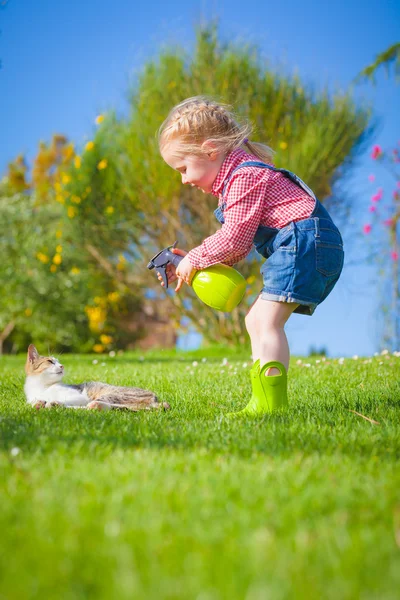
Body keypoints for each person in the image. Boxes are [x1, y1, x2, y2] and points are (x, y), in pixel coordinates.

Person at [157, 96, 344, 417]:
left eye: (183, 168)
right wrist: (194, 260)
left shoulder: (244, 177)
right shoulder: (239, 177)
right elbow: (235, 245)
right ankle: (265, 402)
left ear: (211, 150)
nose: (184, 179)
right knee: (257, 320)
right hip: (308, 244)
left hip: (303, 242)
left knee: (263, 320)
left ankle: (270, 407)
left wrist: (197, 257)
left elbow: (234, 240)